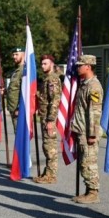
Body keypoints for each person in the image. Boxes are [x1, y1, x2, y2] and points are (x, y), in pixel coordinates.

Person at [71, 55, 103, 204]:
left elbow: (95, 112)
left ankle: (93, 192)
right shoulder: (84, 84)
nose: (77, 68)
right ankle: (88, 190)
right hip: (81, 129)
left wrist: (92, 134)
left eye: (80, 65)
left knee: (89, 162)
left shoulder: (94, 86)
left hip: (88, 132)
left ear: (88, 67)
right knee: (85, 161)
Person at [33, 54, 61, 184]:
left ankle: (51, 175)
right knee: (46, 145)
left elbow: (55, 100)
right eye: (42, 64)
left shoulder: (53, 79)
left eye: (45, 63)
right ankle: (47, 172)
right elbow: (45, 98)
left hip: (49, 118)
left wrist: (50, 120)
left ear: (52, 64)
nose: (43, 66)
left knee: (50, 147)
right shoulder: (47, 79)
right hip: (44, 117)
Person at [6, 47, 25, 130]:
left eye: (17, 54)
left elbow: (24, 90)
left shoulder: (24, 70)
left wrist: (19, 107)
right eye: (13, 54)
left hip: (19, 110)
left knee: (20, 136)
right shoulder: (16, 70)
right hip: (13, 109)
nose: (14, 56)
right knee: (17, 134)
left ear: (23, 54)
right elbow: (15, 88)